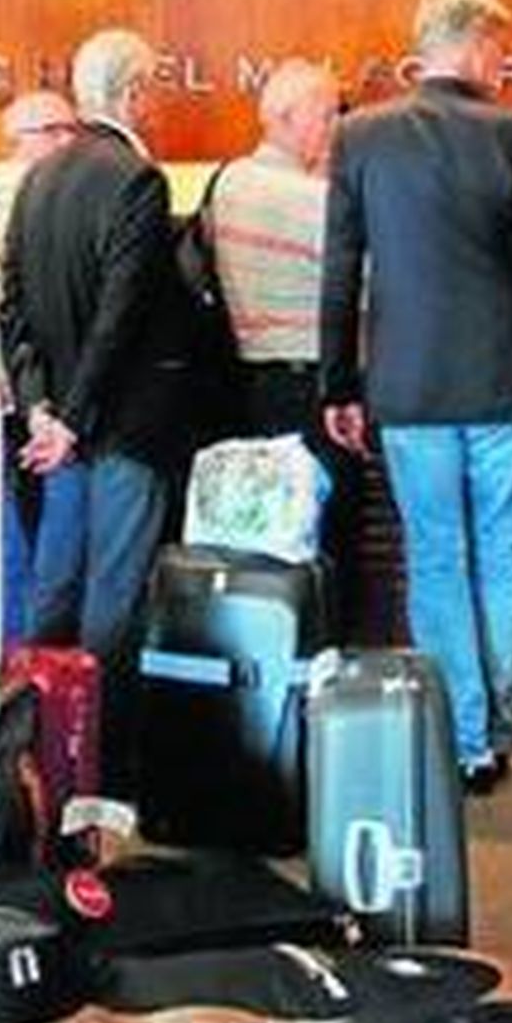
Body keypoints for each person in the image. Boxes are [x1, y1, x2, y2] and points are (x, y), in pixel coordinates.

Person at [320, 0, 512, 793]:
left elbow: (341, 271)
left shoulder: (362, 136)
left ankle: (465, 735)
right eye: (501, 47)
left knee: (436, 557)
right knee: (502, 552)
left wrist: (339, 381)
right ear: (470, 42)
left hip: (408, 384)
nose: (505, 63)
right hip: (502, 381)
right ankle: (495, 723)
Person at [0, 27, 193, 793]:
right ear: (137, 92)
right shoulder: (136, 180)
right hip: (122, 430)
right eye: (155, 89)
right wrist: (74, 418)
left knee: (55, 587)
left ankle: (35, 755)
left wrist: (42, 408)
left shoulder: (36, 180)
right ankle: (102, 772)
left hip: (63, 427)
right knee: (115, 594)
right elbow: (121, 316)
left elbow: (11, 310)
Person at [210, 58, 360, 617]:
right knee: (327, 543)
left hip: (249, 386)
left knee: (267, 543)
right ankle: (326, 674)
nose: (337, 127)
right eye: (328, 114)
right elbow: (368, 281)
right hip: (314, 390)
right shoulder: (311, 199)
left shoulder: (229, 182)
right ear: (284, 117)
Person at [0, 91, 79, 645]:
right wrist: (31, 310)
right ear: (38, 135)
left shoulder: (39, 183)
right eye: (64, 129)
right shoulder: (12, 181)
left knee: (31, 534)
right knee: (25, 536)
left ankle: (30, 666)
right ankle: (23, 667)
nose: (73, 141)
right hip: (11, 388)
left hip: (23, 385)